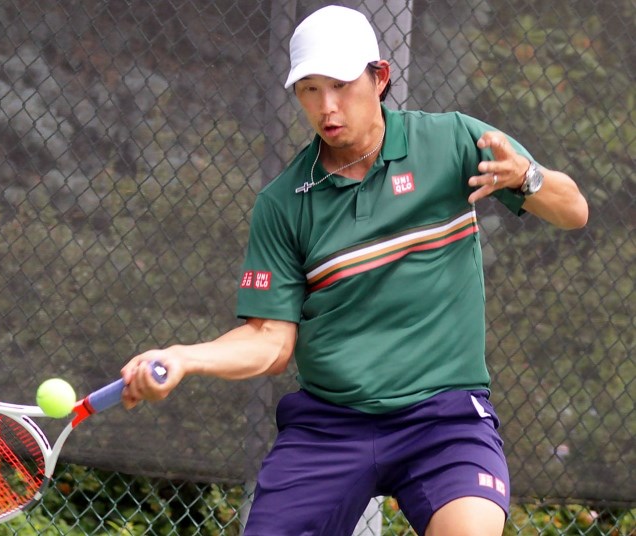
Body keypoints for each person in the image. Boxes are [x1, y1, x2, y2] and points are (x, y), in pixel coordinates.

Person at [120, 5, 588, 535]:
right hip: (330, 425)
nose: (328, 106)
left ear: (379, 77)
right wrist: (182, 358)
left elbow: (574, 209)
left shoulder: (455, 142)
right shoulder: (283, 203)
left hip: (445, 416)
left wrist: (526, 177)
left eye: (341, 84)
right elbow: (271, 342)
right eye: (310, 90)